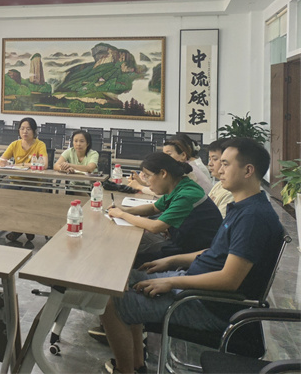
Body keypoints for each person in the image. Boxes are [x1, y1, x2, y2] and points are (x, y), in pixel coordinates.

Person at [99, 138, 284, 374]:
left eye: (226, 164)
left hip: (208, 304)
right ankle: (137, 365)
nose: (219, 169)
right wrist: (172, 261)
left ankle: (124, 370)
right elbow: (216, 252)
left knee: (111, 303)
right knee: (121, 281)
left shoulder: (253, 217)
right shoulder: (244, 207)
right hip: (195, 286)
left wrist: (171, 281)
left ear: (248, 170)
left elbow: (229, 279)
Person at [108, 152, 221, 263]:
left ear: (163, 173)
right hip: (181, 243)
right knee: (127, 244)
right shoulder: (178, 186)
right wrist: (125, 210)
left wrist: (122, 215)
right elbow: (153, 208)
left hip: (195, 255)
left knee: (128, 257)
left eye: (147, 176)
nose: (146, 182)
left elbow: (155, 227)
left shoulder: (187, 194)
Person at [0, 117, 48, 243]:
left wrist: (22, 164)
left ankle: (18, 230)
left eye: (28, 129)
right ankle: (26, 228)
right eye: (22, 129)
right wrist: (2, 163)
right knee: (3, 195)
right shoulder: (15, 144)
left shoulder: (40, 145)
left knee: (25, 196)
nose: (25, 132)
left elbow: (44, 165)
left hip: (33, 182)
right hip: (14, 181)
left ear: (34, 131)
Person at [207, 139, 234, 217]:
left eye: (215, 159)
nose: (210, 164)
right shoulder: (219, 184)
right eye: (209, 159)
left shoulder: (231, 192)